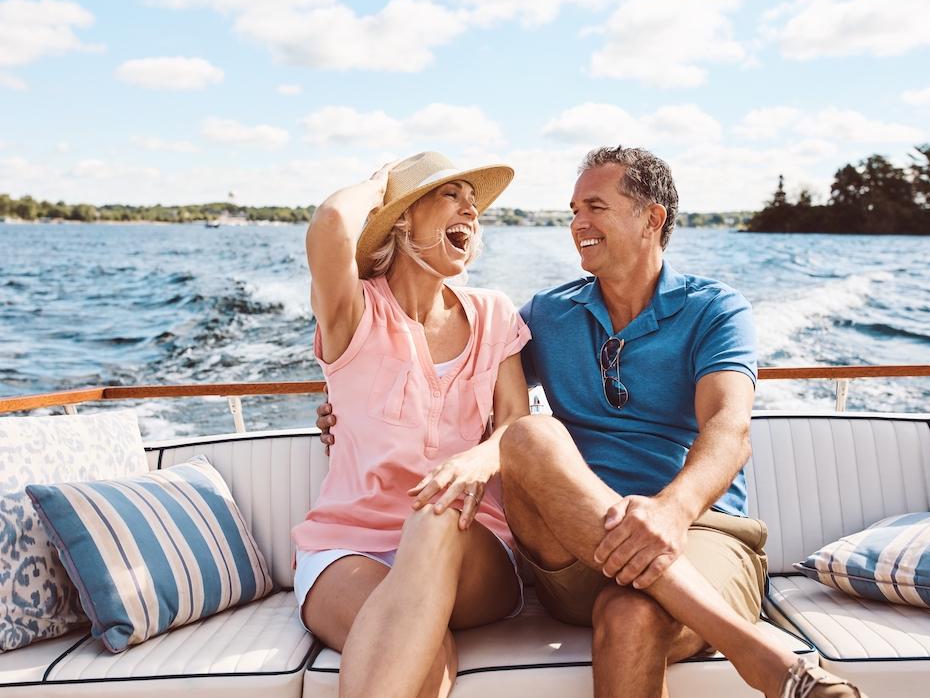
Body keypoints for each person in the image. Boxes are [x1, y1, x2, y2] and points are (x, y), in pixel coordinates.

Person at [317, 147, 864, 698]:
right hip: (572, 550)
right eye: (573, 209)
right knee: (532, 433)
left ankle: (750, 648)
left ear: (652, 218)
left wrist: (670, 512)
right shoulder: (547, 315)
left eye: (595, 207)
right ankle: (761, 654)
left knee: (632, 616)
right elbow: (456, 379)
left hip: (697, 531)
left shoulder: (716, 310)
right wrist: (348, 407)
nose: (577, 224)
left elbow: (729, 427)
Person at [294, 151, 532, 698]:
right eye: (452, 196)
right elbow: (331, 224)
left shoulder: (495, 313)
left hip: (473, 542)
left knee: (439, 515)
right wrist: (382, 184)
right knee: (424, 657)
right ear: (402, 218)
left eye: (476, 205)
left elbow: (515, 423)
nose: (471, 212)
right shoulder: (354, 311)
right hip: (349, 546)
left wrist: (477, 459)